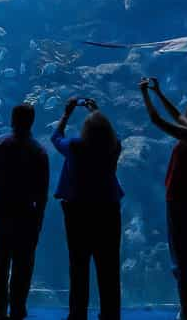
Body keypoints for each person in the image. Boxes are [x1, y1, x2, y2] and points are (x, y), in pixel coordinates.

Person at [139, 78, 187, 320]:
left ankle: (185, 310)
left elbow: (158, 121)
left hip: (181, 200)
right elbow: (176, 116)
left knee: (182, 255)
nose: (185, 113)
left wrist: (144, 94)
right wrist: (159, 93)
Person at [51, 98, 123, 320]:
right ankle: (111, 313)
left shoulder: (75, 146)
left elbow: (56, 138)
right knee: (108, 266)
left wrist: (66, 114)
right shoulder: (114, 146)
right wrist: (96, 111)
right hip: (108, 210)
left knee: (79, 264)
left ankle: (77, 313)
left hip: (78, 211)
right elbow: (108, 133)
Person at [0, 104, 49, 320]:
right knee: (23, 264)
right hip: (25, 214)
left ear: (12, 119)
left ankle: (0, 310)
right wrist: (39, 219)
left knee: (0, 263)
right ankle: (18, 308)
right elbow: (42, 191)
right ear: (32, 122)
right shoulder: (39, 151)